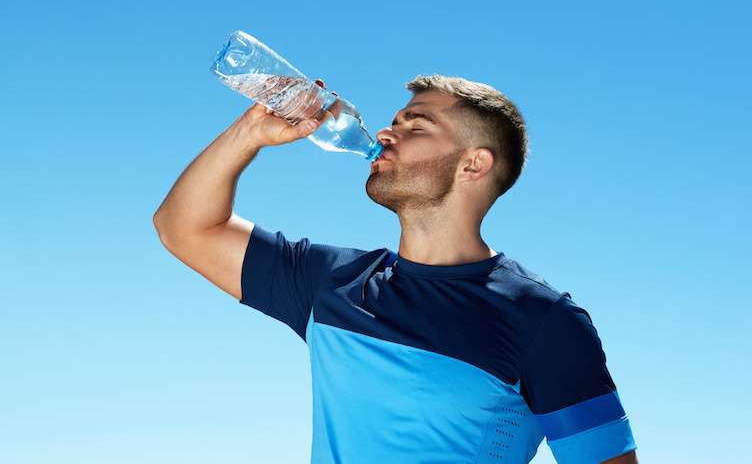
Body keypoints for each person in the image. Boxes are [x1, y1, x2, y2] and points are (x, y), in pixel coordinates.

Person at [153, 74, 639, 463]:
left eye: (416, 125)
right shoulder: (331, 282)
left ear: (473, 165)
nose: (386, 133)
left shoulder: (544, 320)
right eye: (394, 121)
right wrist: (251, 133)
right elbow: (184, 227)